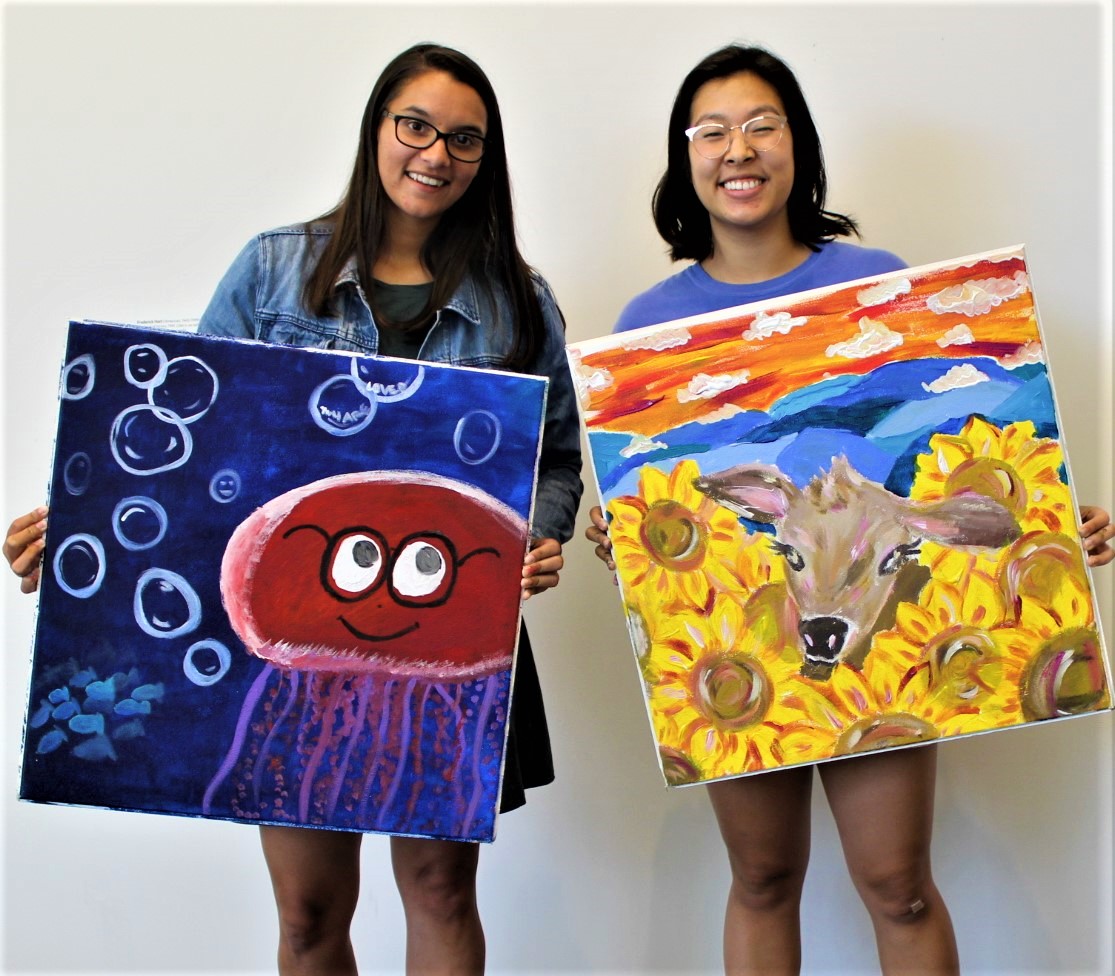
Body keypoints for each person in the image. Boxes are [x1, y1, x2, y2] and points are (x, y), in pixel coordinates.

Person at [5, 43, 582, 976]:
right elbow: (194, 445)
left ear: (487, 158)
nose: (436, 154)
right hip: (299, 646)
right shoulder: (275, 271)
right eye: (416, 126)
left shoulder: (520, 300)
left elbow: (555, 459)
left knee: (440, 894)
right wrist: (76, 524)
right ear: (377, 131)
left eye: (465, 140)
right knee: (310, 915)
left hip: (455, 648)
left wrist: (538, 533)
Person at [584, 44, 1114, 975]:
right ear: (685, 158)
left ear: (796, 146)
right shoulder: (645, 326)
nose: (736, 149)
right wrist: (621, 535)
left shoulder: (880, 281)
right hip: (746, 639)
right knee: (760, 880)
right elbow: (660, 507)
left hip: (882, 637)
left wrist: (1052, 527)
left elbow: (953, 470)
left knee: (897, 881)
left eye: (760, 125)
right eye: (709, 131)